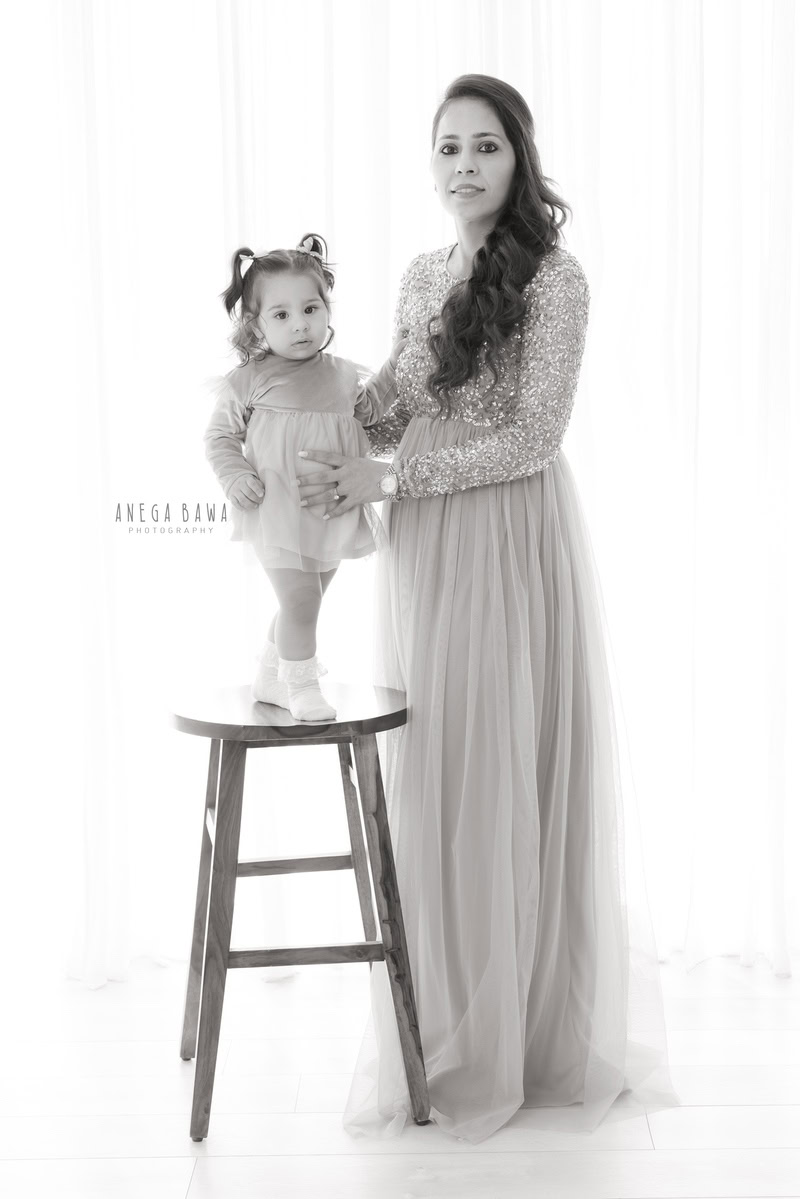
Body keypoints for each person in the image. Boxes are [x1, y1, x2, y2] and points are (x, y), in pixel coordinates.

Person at [297, 75, 680, 1143]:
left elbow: (534, 436)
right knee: (442, 765)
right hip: (426, 544)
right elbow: (391, 407)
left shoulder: (554, 277)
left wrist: (388, 478)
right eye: (447, 147)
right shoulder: (424, 273)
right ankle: (450, 1016)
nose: (463, 165)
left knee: (499, 764)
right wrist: (297, 387)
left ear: (519, 158)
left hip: (508, 538)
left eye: (485, 146)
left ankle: (518, 1031)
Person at [203, 233, 407, 720]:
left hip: (330, 508)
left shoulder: (340, 374)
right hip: (276, 508)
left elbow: (368, 411)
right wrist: (234, 476)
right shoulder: (250, 378)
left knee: (304, 600)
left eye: (311, 309)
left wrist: (397, 362)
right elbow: (219, 437)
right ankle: (302, 686)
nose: (300, 324)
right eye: (281, 315)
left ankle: (269, 678)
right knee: (300, 601)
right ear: (255, 325)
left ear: (326, 310)